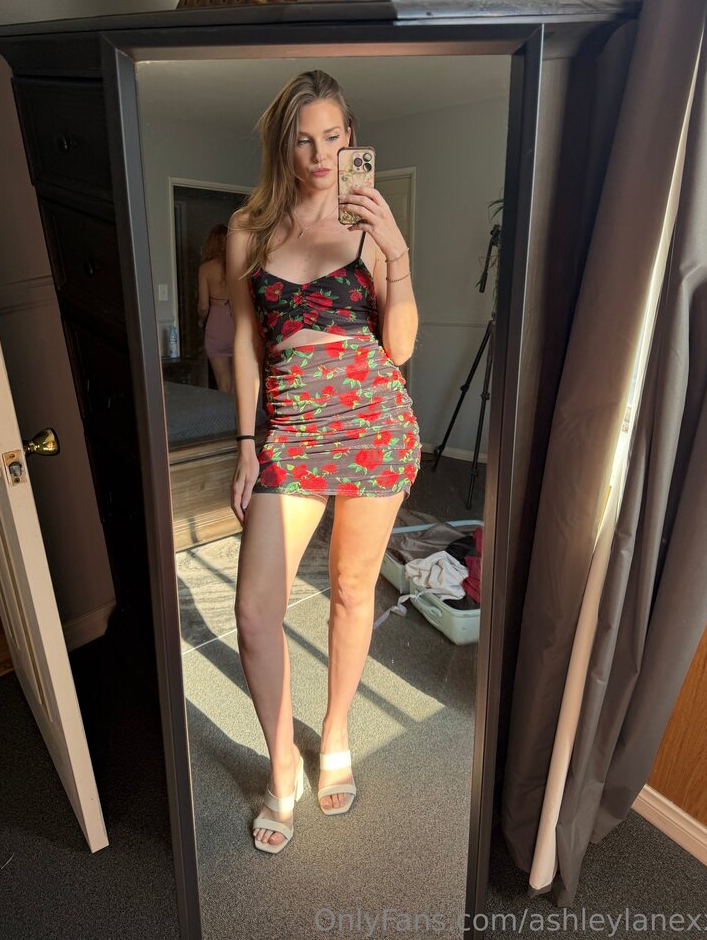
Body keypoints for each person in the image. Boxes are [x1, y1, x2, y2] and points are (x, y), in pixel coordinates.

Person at [225, 69, 421, 854]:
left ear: (351, 139)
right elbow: (247, 342)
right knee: (254, 610)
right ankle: (283, 763)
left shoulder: (370, 228)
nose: (318, 155)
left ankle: (335, 732)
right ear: (284, 145)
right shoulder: (249, 229)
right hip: (294, 432)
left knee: (349, 587)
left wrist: (396, 251)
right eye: (303, 140)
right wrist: (247, 445)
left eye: (333, 137)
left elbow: (398, 348)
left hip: (374, 422)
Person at [198, 223, 234, 392]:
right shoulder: (239, 267)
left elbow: (203, 306)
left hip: (216, 327)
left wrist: (201, 320)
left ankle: (224, 410)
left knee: (223, 384)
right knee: (240, 384)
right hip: (236, 325)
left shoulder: (205, 269)